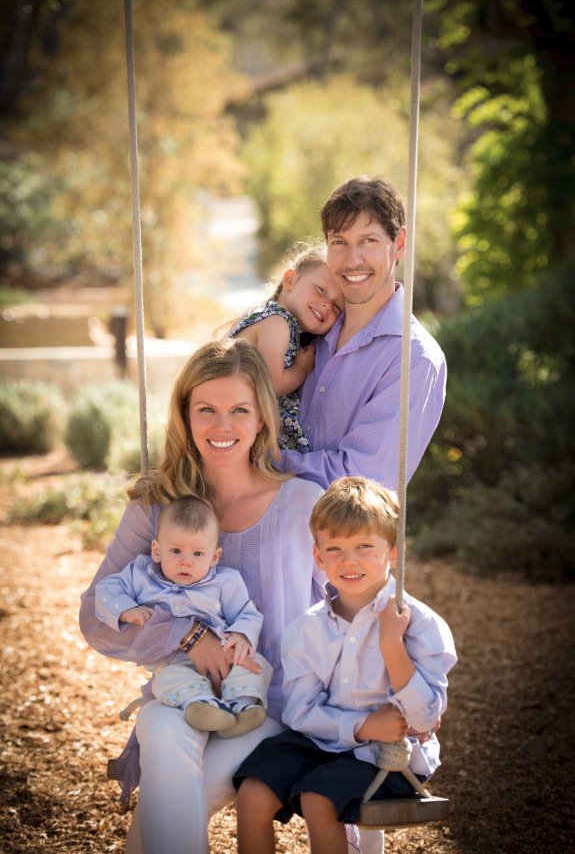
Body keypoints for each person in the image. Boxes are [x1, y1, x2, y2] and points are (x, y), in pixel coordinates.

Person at [79, 338, 325, 854]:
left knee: (179, 792)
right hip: (180, 694)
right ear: (185, 415)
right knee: (164, 736)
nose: (222, 426)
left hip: (268, 703)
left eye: (240, 410)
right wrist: (187, 636)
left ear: (263, 418)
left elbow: (358, 605)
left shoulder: (303, 504)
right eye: (206, 409)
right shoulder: (156, 507)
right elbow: (95, 616)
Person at [233, 477, 457, 854]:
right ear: (318, 557)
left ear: (392, 553)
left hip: (386, 758)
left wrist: (391, 645)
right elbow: (301, 712)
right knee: (253, 793)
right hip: (321, 742)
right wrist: (363, 724)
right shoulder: (305, 629)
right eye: (334, 548)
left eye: (365, 546)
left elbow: (423, 719)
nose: (349, 561)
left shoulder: (421, 625)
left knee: (319, 798)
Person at [277, 176, 447, 493]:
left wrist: (260, 461)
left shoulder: (415, 358)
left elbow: (360, 480)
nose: (353, 260)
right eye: (339, 242)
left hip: (333, 541)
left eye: (368, 241)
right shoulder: (309, 325)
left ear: (398, 244)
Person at [94, 495, 273, 738]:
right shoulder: (141, 574)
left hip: (224, 654)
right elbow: (105, 590)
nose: (186, 561)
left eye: (198, 554)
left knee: (255, 664)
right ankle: (201, 706)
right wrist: (126, 609)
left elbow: (246, 612)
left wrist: (241, 635)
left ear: (214, 557)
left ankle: (242, 706)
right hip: (173, 659)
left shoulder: (225, 581)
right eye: (176, 550)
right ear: (157, 551)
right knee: (167, 678)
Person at [227, 242, 344, 453]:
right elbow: (271, 384)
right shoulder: (277, 322)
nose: (327, 304)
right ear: (290, 279)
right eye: (321, 290)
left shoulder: (280, 323)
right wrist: (302, 368)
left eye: (337, 306)